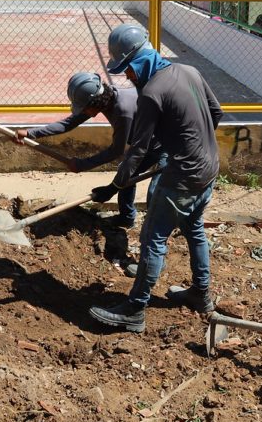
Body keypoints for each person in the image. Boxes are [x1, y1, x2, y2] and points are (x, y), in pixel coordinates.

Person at [88, 23, 222, 333]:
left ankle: (135, 309)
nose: (128, 77)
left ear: (139, 61)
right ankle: (201, 295)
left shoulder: (151, 93)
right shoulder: (190, 71)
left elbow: (137, 151)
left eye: (128, 70)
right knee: (195, 228)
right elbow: (216, 113)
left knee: (153, 238)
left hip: (183, 176)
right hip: (209, 167)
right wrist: (193, 145)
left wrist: (113, 186)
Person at [15, 71, 139, 228]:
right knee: (127, 172)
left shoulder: (123, 111)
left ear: (94, 103)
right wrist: (30, 133)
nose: (82, 112)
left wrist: (83, 165)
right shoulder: (104, 98)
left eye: (83, 108)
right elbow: (68, 124)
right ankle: (127, 218)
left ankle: (151, 229)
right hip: (141, 138)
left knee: (147, 182)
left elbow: (116, 151)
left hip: (161, 141)